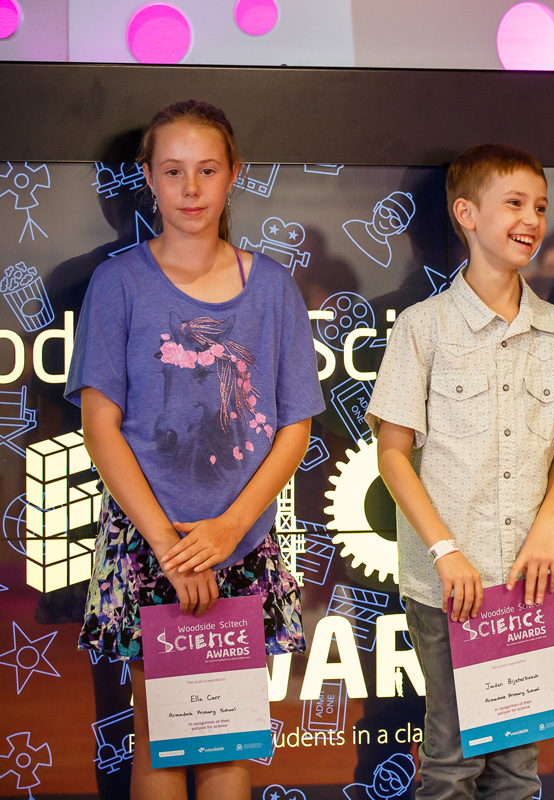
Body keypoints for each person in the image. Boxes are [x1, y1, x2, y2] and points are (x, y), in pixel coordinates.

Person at [66, 100, 323, 800]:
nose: (190, 188)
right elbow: (100, 425)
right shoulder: (118, 284)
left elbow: (295, 426)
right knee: (161, 739)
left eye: (206, 170)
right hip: (150, 541)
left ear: (233, 175)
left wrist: (229, 530)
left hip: (240, 542)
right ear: (147, 177)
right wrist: (171, 548)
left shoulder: (271, 288)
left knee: (227, 738)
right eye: (173, 171)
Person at [365, 144, 554, 799]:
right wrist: (446, 550)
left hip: (528, 585)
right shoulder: (423, 329)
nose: (531, 219)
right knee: (453, 763)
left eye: (539, 206)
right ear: (465, 214)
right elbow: (393, 455)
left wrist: (547, 529)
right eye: (513, 203)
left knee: (518, 767)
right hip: (452, 586)